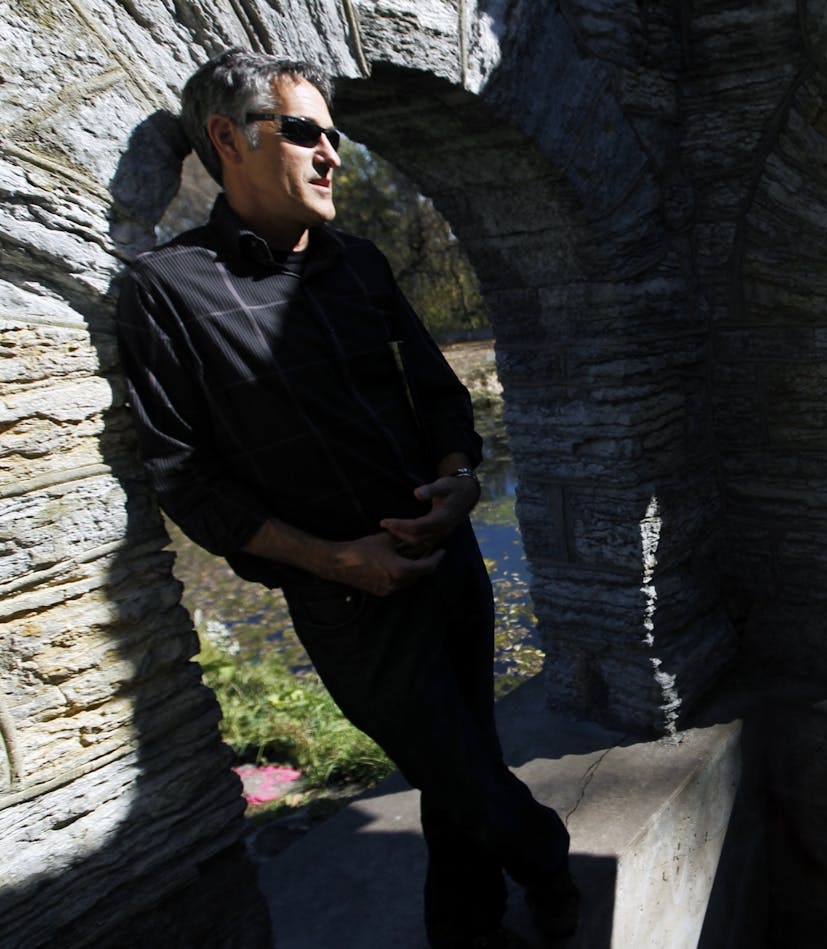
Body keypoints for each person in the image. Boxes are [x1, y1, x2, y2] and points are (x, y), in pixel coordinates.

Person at [113, 48, 577, 949]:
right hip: (348, 601)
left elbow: (440, 395)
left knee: (459, 774)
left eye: (336, 136)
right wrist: (335, 561)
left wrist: (460, 480)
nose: (333, 154)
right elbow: (187, 480)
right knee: (469, 779)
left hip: (452, 567)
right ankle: (552, 863)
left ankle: (468, 930)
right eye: (306, 133)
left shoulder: (359, 263)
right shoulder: (166, 293)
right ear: (228, 139)